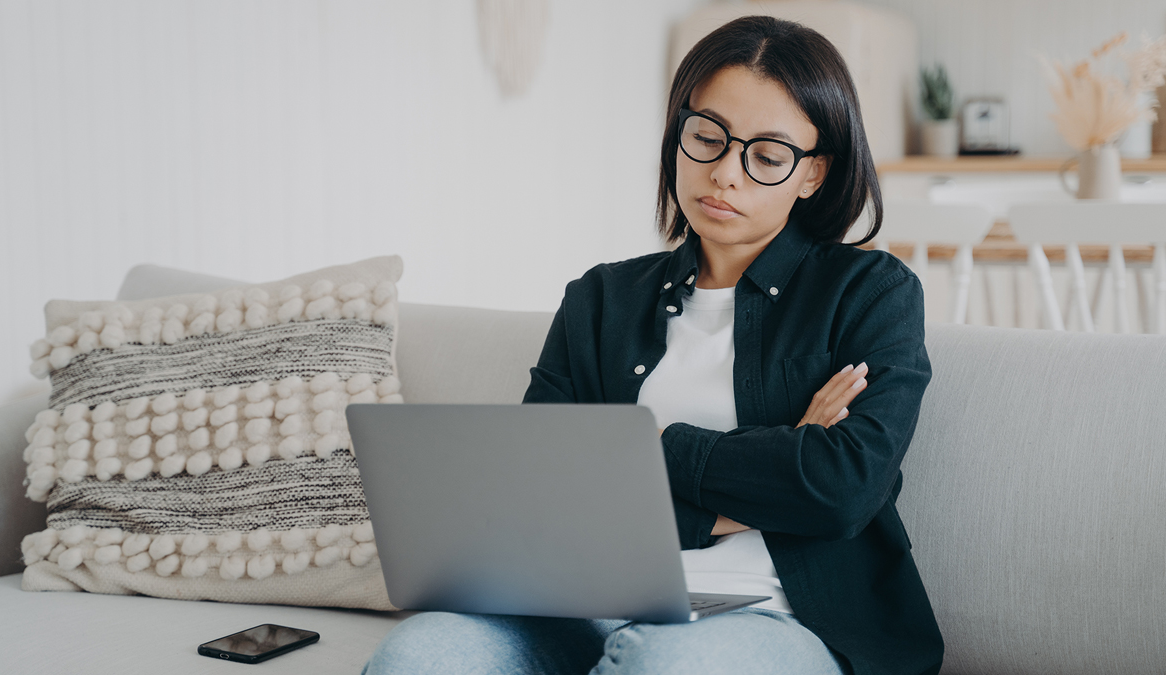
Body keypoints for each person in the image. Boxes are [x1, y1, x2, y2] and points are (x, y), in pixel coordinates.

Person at [365, 15, 942, 675]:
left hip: (773, 618)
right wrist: (776, 469)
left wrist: (649, 445)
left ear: (813, 174)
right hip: (579, 606)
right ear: (678, 135)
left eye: (768, 155)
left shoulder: (871, 292)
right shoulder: (601, 299)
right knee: (419, 655)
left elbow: (841, 486)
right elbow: (541, 492)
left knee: (660, 662)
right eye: (707, 137)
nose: (727, 172)